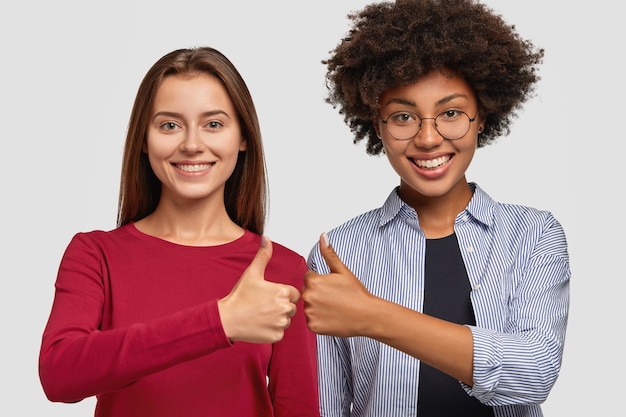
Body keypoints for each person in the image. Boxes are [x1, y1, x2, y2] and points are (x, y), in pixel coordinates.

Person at [302, 1, 570, 416]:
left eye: (450, 113)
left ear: (481, 115)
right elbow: (323, 408)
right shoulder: (336, 254)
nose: (428, 138)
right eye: (404, 116)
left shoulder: (533, 235)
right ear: (377, 125)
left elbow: (534, 373)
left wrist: (373, 316)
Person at [38, 47, 319, 417]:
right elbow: (59, 375)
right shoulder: (96, 254)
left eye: (213, 124)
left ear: (243, 137)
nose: (191, 144)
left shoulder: (284, 269)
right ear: (143, 139)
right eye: (169, 125)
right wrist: (219, 322)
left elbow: (298, 408)